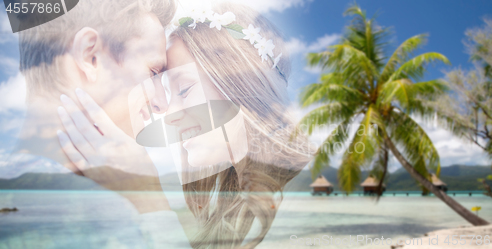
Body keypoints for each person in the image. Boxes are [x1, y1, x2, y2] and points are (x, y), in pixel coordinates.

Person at [58, 3, 314, 248]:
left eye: (184, 89)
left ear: (240, 82)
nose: (168, 112)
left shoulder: (302, 202)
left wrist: (148, 196)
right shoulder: (239, 202)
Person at [1, 0, 185, 248]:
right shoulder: (100, 223)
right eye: (153, 73)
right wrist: (151, 201)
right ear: (91, 56)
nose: (161, 104)